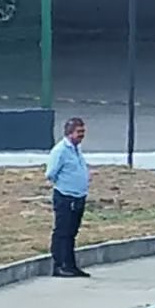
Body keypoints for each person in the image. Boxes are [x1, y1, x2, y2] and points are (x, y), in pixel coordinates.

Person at [46, 117, 91, 278]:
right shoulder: (60, 151)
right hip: (66, 197)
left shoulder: (76, 149)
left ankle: (71, 265)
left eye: (83, 131)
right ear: (69, 132)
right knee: (62, 232)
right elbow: (51, 173)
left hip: (79, 197)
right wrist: (66, 185)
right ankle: (59, 265)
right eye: (79, 132)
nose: (82, 135)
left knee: (72, 232)